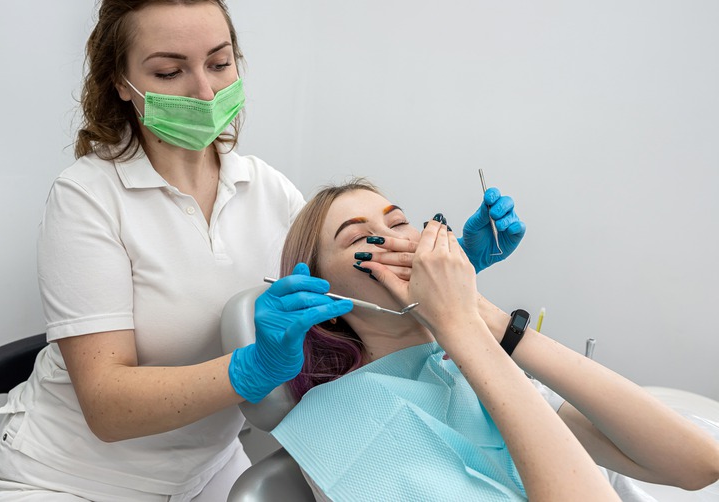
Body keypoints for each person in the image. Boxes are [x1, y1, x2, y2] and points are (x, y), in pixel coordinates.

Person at [0, 0, 526, 500]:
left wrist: (453, 273)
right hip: (72, 478)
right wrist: (253, 367)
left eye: (219, 63)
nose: (203, 90)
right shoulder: (87, 198)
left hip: (209, 470)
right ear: (121, 83)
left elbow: (346, 302)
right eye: (170, 73)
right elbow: (105, 405)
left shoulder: (267, 189)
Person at [270, 179, 719, 502]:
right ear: (324, 298)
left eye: (400, 222)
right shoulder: (339, 427)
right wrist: (459, 326)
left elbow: (699, 463)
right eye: (360, 239)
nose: (393, 240)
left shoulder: (459, 365)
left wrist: (485, 317)